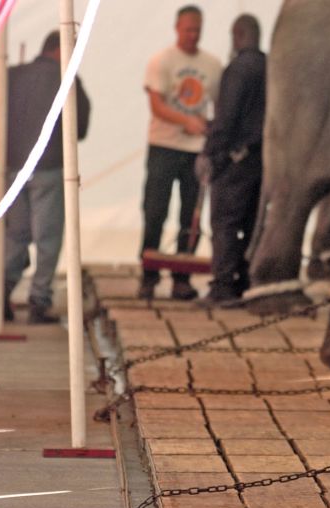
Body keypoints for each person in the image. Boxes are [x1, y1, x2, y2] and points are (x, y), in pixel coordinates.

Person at [0, 30, 90, 324]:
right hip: (49, 167)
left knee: (15, 234)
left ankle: (2, 291)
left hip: (11, 166)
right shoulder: (67, 80)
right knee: (47, 236)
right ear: (62, 49)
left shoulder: (12, 74)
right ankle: (39, 300)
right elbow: (80, 128)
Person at [138, 5, 224, 300]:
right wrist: (185, 120)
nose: (192, 35)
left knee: (192, 216)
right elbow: (157, 104)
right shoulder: (162, 61)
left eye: (197, 30)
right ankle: (148, 275)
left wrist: (208, 128)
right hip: (164, 146)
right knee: (154, 212)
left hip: (195, 151)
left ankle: (182, 278)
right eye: (188, 29)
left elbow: (221, 105)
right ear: (177, 28)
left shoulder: (212, 65)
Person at [197, 14, 266, 306]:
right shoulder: (271, 66)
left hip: (235, 158)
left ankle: (223, 286)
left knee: (225, 222)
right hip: (262, 158)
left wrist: (210, 153)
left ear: (237, 35)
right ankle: (245, 282)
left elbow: (226, 118)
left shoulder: (237, 69)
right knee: (251, 222)